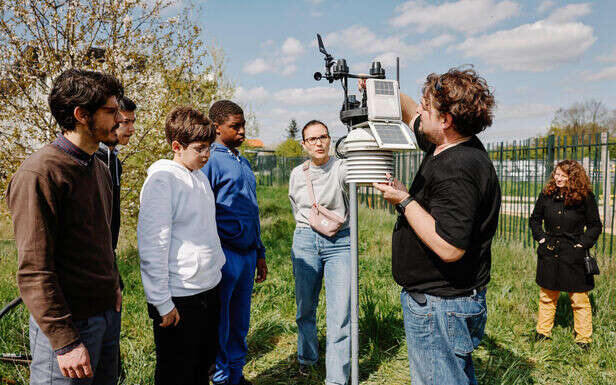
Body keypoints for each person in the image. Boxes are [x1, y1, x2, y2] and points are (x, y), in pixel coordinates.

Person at [371, 67, 501, 385]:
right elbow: (406, 112)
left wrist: (404, 200)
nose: (418, 110)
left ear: (446, 121)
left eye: (425, 106)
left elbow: (450, 246)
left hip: (441, 306)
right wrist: (378, 87)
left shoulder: (460, 166)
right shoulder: (445, 145)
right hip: (442, 303)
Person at [6, 69, 124, 384]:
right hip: (69, 327)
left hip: (106, 317)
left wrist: (113, 287)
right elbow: (34, 270)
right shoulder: (40, 173)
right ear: (81, 114)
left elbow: (101, 242)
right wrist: (64, 340)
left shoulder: (99, 167)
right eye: (111, 111)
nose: (119, 119)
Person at [137, 106, 226, 384]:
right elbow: (153, 244)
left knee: (201, 367)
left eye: (209, 147)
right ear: (177, 146)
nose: (207, 155)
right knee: (177, 374)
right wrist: (162, 302)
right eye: (200, 148)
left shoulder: (199, 177)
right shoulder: (162, 180)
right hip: (179, 298)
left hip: (208, 290)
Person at [202, 100, 268, 385]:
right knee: (221, 322)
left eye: (243, 126)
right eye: (235, 126)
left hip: (248, 253)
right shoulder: (210, 161)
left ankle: (237, 375)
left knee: (240, 321)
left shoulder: (242, 160)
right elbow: (204, 210)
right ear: (217, 127)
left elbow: (251, 210)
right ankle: (220, 376)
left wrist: (260, 252)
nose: (241, 131)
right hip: (225, 255)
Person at [288, 120, 350, 384]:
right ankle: (307, 357)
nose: (318, 143)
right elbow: (295, 207)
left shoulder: (341, 168)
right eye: (312, 139)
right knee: (305, 307)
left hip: (340, 242)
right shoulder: (296, 174)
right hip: (305, 240)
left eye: (322, 137)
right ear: (304, 144)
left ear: (329, 139)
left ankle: (336, 378)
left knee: (340, 312)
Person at [529, 159, 601, 350]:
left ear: (573, 178)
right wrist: (541, 238)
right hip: (549, 251)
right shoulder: (547, 195)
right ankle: (543, 333)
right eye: (556, 174)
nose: (558, 178)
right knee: (547, 295)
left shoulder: (585, 197)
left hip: (574, 253)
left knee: (579, 298)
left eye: (563, 175)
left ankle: (583, 339)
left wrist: (582, 244)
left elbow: (595, 226)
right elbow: (535, 219)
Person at [95, 95, 136, 381]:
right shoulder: (91, 159)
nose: (131, 129)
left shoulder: (113, 160)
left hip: (107, 263)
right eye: (125, 122)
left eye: (132, 122)